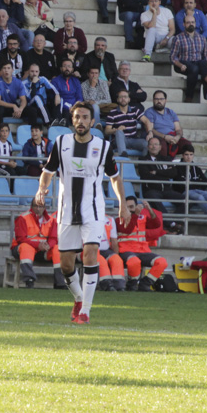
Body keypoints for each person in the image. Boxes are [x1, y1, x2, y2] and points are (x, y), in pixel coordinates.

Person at [36, 102, 128, 323]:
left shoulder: (103, 147)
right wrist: (41, 188)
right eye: (77, 117)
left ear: (92, 121)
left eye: (85, 117)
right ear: (72, 120)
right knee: (66, 264)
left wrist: (123, 203)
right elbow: (48, 171)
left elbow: (114, 178)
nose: (80, 121)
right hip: (67, 210)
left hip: (93, 209)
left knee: (89, 254)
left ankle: (85, 311)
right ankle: (79, 298)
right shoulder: (60, 143)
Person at [11, 199, 63, 289]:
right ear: (31, 207)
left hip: (43, 251)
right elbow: (21, 239)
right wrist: (38, 245)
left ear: (44, 208)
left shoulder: (51, 220)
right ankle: (29, 280)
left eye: (41, 206)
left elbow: (53, 238)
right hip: (21, 249)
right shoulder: (23, 218)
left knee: (57, 249)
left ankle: (60, 283)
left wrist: (48, 246)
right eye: (36, 206)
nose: (38, 209)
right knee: (26, 247)